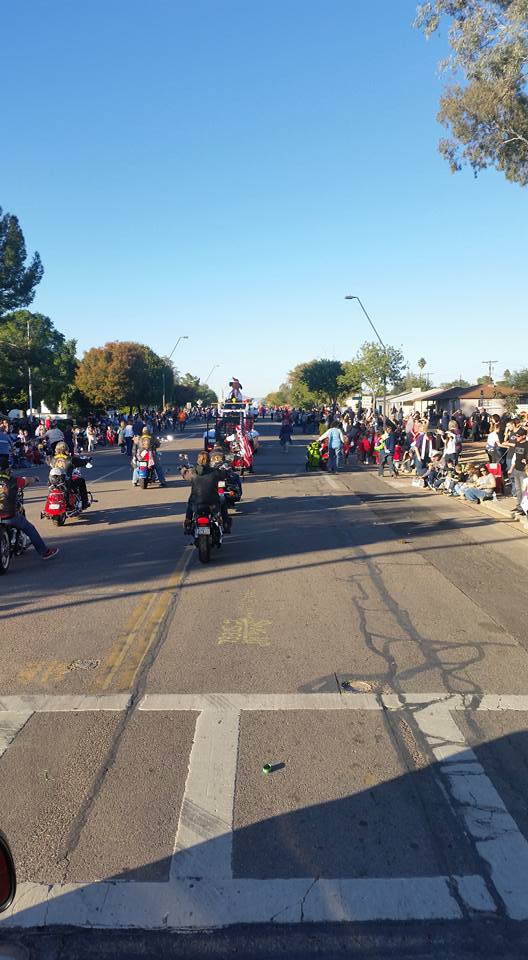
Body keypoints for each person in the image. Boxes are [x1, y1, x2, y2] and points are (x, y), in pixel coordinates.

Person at [0, 442, 59, 561]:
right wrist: (35, 479)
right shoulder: (12, 480)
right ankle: (44, 552)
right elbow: (26, 480)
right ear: (7, 469)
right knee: (29, 528)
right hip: (9, 515)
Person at [181, 451, 231, 532]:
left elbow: (184, 474)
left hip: (196, 504)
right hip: (213, 503)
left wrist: (183, 469)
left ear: (198, 460)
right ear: (209, 460)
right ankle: (225, 523)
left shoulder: (191, 472)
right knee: (223, 499)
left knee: (190, 501)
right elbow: (225, 474)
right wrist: (226, 470)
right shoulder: (215, 472)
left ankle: (188, 522)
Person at [49, 442, 91, 509]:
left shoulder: (52, 459)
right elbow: (82, 462)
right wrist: (87, 460)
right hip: (67, 483)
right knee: (81, 481)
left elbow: (47, 460)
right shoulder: (71, 459)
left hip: (54, 484)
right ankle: (84, 503)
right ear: (66, 449)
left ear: (56, 449)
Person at [511, 426, 528, 515]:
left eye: (518, 436)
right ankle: (519, 505)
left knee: (523, 489)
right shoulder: (517, 443)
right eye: (516, 436)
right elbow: (515, 456)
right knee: (517, 489)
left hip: (523, 470)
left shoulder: (527, 445)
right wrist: (511, 468)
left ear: (524, 436)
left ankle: (524, 507)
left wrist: (526, 460)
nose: (516, 437)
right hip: (516, 469)